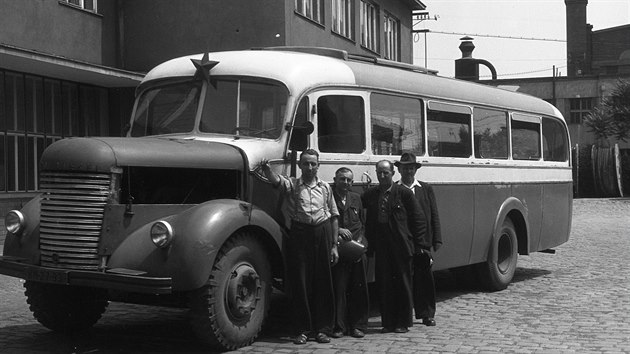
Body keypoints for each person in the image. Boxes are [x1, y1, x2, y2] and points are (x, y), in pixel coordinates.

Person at [259, 149, 339, 345]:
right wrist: (267, 170)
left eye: (313, 163)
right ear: (301, 165)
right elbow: (276, 181)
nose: (310, 167)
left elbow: (334, 215)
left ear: (318, 166)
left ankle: (322, 329)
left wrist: (334, 245)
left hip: (322, 233)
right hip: (300, 235)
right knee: (300, 283)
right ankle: (301, 330)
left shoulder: (325, 188)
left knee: (322, 282)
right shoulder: (293, 184)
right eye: (306, 163)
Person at [361, 160, 426, 334]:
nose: (382, 176)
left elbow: (418, 219)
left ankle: (403, 322)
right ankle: (388, 322)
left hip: (401, 245)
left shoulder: (403, 193)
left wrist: (419, 244)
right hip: (381, 244)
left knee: (403, 283)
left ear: (393, 174)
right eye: (379, 173)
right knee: (384, 283)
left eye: (386, 173)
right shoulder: (371, 195)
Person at [395, 152, 443, 327]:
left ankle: (427, 314)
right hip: (403, 242)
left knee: (425, 279)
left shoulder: (425, 188)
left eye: (411, 168)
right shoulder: (395, 189)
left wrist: (436, 239)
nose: (408, 171)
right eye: (405, 168)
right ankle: (405, 316)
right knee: (405, 279)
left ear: (416, 170)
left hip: (422, 242)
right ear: (399, 170)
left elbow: (434, 214)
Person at [330, 167, 369, 339]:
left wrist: (360, 241)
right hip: (338, 249)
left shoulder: (356, 198)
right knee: (339, 288)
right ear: (335, 180)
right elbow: (327, 220)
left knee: (358, 288)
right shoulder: (328, 197)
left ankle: (357, 326)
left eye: (348, 180)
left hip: (357, 250)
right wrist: (338, 230)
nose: (345, 183)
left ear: (352, 182)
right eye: (342, 179)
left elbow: (362, 223)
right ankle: (339, 327)